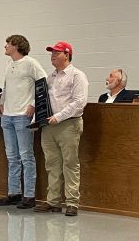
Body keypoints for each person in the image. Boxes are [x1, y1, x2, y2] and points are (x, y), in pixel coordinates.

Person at [34, 41, 88, 217]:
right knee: (52, 164)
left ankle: (72, 202)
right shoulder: (50, 78)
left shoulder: (77, 75)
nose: (53, 56)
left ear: (67, 54)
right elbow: (43, 101)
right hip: (49, 125)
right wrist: (36, 116)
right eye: (52, 53)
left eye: (57, 53)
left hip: (68, 124)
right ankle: (53, 201)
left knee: (70, 163)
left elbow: (79, 102)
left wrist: (59, 116)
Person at [0, 35, 47, 209]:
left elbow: (43, 82)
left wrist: (33, 104)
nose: (5, 46)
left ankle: (29, 195)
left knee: (26, 155)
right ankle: (14, 192)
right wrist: (1, 103)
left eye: (8, 44)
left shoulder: (31, 63)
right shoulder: (9, 64)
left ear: (16, 46)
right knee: (12, 157)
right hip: (7, 115)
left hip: (22, 115)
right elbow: (6, 86)